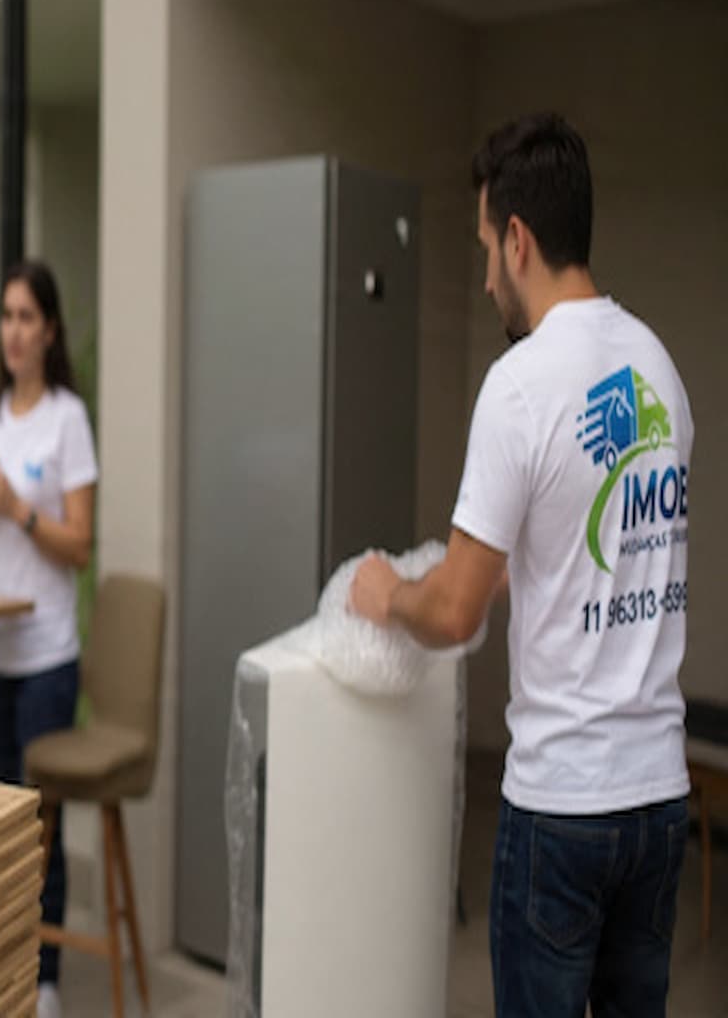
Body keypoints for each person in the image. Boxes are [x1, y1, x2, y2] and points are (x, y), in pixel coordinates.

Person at [351, 113, 691, 1018]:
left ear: (517, 238)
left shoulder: (521, 385)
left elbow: (453, 614)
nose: (485, 279)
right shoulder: (658, 369)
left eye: (484, 250)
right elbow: (609, 544)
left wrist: (390, 594)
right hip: (659, 800)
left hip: (564, 808)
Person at [0, 259, 96, 1018]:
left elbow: (80, 545)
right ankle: (3, 973)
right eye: (5, 316)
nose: (13, 331)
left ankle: (45, 986)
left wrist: (18, 509)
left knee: (41, 823)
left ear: (50, 331)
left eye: (26, 317)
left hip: (45, 657)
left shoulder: (68, 419)